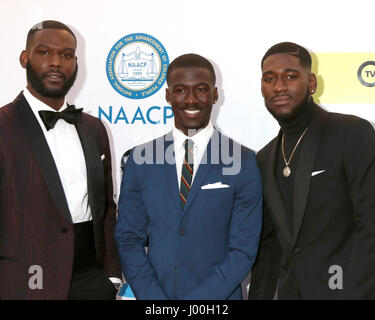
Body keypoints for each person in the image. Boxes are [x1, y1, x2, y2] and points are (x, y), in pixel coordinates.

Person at [115, 53, 262, 300]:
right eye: (181, 90)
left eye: (201, 89)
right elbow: (129, 239)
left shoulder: (243, 161)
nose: (191, 100)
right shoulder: (140, 160)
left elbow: (243, 250)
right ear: (168, 96)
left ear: (215, 95)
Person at [0, 20, 121, 299]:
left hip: (91, 278)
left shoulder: (94, 128)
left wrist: (112, 276)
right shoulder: (3, 126)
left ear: (76, 63)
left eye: (66, 55)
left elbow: (105, 208)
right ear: (24, 58)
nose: (56, 63)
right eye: (44, 52)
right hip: (23, 280)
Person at [248, 42, 375, 300]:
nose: (279, 86)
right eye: (269, 78)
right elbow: (270, 247)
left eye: (290, 76)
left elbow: (370, 224)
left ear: (312, 83)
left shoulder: (352, 133)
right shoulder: (264, 157)